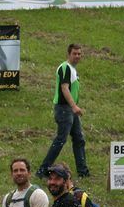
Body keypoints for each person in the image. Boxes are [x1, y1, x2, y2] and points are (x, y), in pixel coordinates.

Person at [37, 44, 89, 178]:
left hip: (70, 110)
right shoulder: (65, 67)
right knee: (61, 140)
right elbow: (64, 88)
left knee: (79, 139)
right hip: (64, 109)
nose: (77, 56)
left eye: (79, 54)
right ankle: (43, 170)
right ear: (68, 54)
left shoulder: (73, 69)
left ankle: (83, 171)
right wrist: (74, 106)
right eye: (74, 53)